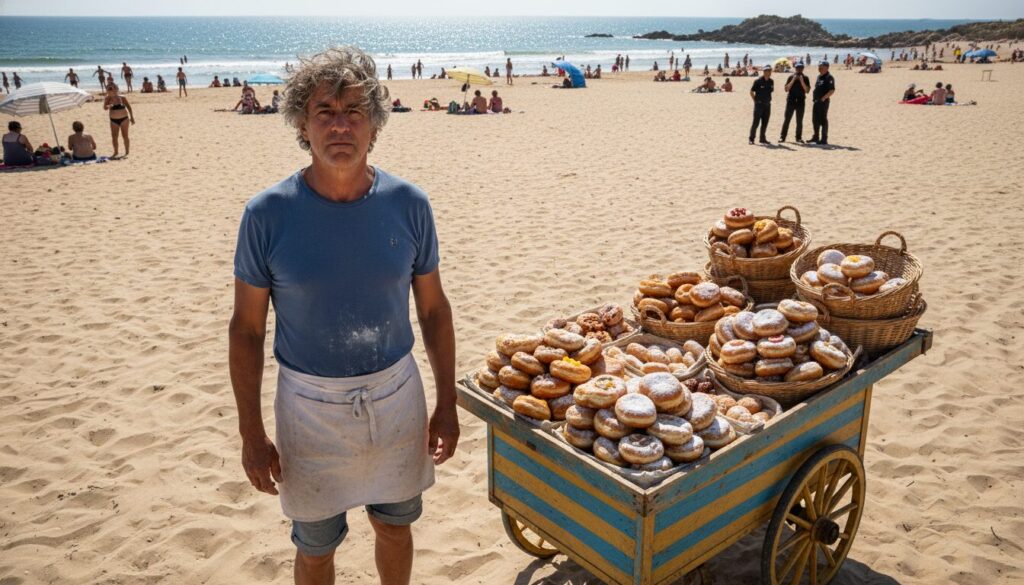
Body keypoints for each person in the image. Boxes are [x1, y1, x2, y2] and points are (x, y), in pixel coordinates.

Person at [229, 45, 458, 585]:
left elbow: (433, 310)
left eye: (354, 111)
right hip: (307, 409)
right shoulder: (266, 214)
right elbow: (247, 329)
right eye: (324, 112)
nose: (340, 126)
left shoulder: (409, 204)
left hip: (396, 397)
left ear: (374, 125)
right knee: (315, 548)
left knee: (395, 529)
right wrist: (250, 433)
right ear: (301, 124)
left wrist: (447, 403)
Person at [779, 61, 809, 143]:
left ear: (803, 68)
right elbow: (786, 89)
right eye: (797, 68)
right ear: (795, 68)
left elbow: (807, 90)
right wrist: (793, 80)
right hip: (791, 101)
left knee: (799, 121)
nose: (799, 69)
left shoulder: (805, 78)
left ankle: (798, 138)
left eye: (801, 68)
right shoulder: (790, 77)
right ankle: (782, 137)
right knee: (787, 119)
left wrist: (802, 81)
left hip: (801, 102)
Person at [103, 84, 134, 157]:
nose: (109, 90)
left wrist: (132, 117)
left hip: (124, 119)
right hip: (113, 120)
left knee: (125, 136)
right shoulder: (107, 98)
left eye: (111, 89)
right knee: (114, 137)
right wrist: (108, 106)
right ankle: (116, 152)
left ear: (115, 89)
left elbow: (129, 107)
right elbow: (104, 108)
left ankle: (127, 152)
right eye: (108, 89)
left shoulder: (122, 98)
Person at [810, 60, 835, 145]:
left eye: (821, 66)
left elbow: (832, 90)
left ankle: (824, 139)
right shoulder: (819, 76)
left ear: (827, 67)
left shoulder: (829, 77)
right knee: (815, 120)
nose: (819, 68)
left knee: (823, 120)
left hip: (823, 102)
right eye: (819, 66)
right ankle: (816, 137)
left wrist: (824, 98)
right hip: (816, 101)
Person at [749, 66, 774, 145]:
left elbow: (771, 91)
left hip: (767, 105)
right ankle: (751, 139)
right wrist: (755, 101)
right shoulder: (758, 81)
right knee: (756, 123)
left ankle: (762, 139)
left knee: (765, 123)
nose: (769, 72)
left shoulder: (771, 81)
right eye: (767, 71)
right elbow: (751, 92)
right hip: (759, 105)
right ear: (764, 72)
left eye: (770, 71)